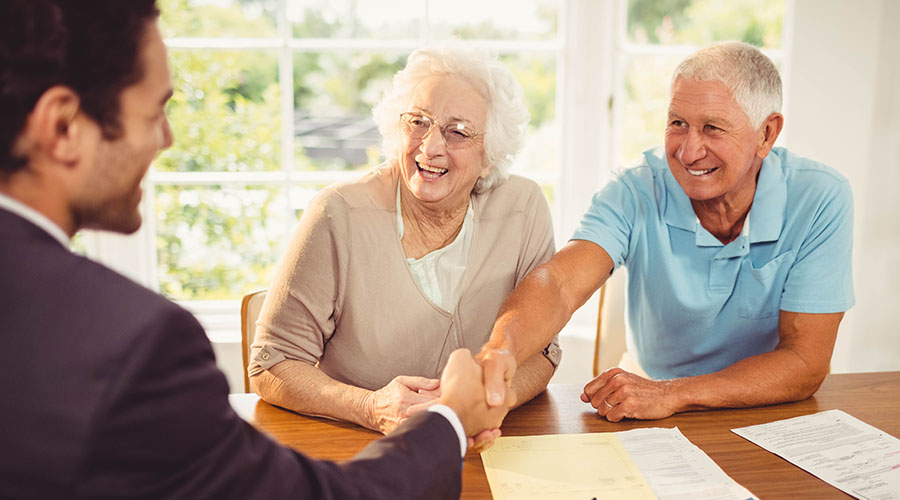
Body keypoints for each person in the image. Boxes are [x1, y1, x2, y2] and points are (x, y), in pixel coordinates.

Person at [0, 1, 510, 498]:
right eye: (154, 111)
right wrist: (449, 418)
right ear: (63, 127)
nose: (167, 138)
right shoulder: (134, 347)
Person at [477, 41, 854, 422]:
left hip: (765, 407)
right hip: (650, 404)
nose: (689, 152)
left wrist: (674, 393)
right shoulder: (633, 190)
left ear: (767, 133)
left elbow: (805, 362)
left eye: (712, 128)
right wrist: (501, 350)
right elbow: (558, 282)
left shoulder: (821, 196)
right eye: (678, 124)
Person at [248, 45, 561, 437]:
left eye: (458, 131)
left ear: (489, 158)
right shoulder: (339, 213)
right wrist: (369, 406)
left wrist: (488, 402)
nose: (430, 147)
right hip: (362, 447)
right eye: (418, 122)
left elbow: (544, 351)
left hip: (485, 446)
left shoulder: (523, 208)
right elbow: (271, 363)